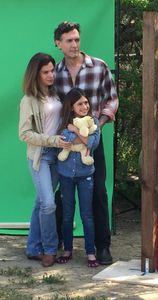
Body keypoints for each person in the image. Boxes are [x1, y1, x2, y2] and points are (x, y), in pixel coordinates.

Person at [53, 21, 119, 265]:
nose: (74, 44)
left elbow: (112, 100)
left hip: (92, 143)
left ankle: (102, 247)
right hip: (65, 143)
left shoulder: (99, 67)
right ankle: (58, 243)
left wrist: (97, 127)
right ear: (58, 44)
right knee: (61, 194)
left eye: (77, 39)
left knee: (99, 193)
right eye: (68, 40)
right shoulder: (55, 73)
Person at [19, 53, 71, 267]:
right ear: (36, 74)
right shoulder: (28, 100)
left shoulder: (57, 95)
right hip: (40, 157)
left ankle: (33, 248)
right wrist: (52, 140)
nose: (51, 75)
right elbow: (24, 134)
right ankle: (49, 249)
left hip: (59, 156)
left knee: (41, 202)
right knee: (48, 204)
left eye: (52, 71)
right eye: (46, 72)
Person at [56, 88, 100, 268]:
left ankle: (91, 252)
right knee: (67, 215)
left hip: (85, 176)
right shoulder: (63, 123)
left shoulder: (93, 122)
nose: (84, 106)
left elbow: (92, 143)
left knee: (87, 214)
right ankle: (67, 250)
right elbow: (64, 141)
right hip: (65, 175)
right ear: (72, 107)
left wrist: (74, 130)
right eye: (80, 103)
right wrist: (78, 136)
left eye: (86, 103)